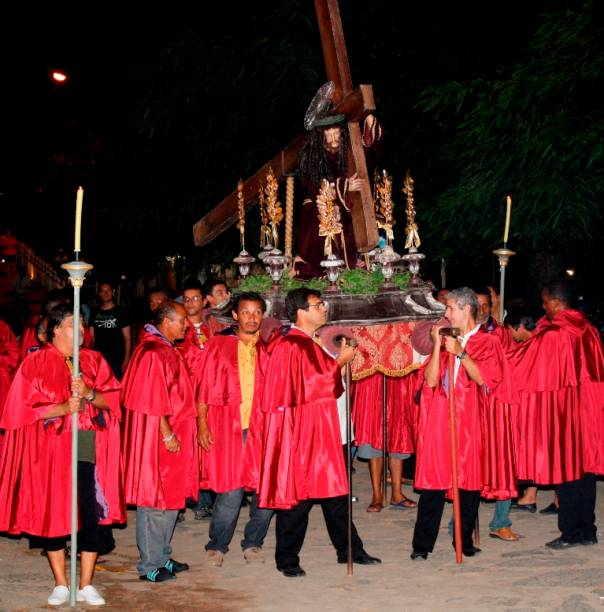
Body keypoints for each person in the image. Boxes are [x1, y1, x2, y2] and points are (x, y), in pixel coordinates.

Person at [0, 303, 124, 606]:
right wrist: (61, 408)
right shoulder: (35, 363)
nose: (80, 330)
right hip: (50, 445)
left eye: (81, 325)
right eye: (72, 325)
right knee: (54, 508)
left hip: (85, 440)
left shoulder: (94, 360)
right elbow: (18, 410)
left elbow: (116, 402)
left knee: (90, 507)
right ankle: (60, 582)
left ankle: (86, 583)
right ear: (55, 329)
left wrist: (91, 395)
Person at [255, 288, 381, 577]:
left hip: (323, 430)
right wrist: (340, 362)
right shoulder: (290, 345)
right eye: (317, 305)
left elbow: (328, 385)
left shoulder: (311, 342)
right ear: (301, 311)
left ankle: (350, 550)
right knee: (298, 498)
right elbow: (312, 387)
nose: (323, 309)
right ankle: (286, 558)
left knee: (336, 494)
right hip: (302, 432)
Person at [411, 287, 517, 560]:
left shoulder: (488, 342)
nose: (446, 313)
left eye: (450, 308)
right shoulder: (445, 338)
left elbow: (485, 379)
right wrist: (437, 346)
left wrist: (461, 353)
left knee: (468, 484)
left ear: (466, 310)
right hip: (440, 419)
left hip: (470, 420)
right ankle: (422, 546)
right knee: (434, 483)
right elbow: (431, 381)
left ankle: (464, 541)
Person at [507, 281, 604, 548]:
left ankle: (571, 532)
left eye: (545, 301)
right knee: (586, 473)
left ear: (557, 303)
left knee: (568, 471)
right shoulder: (590, 331)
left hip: (565, 412)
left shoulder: (555, 334)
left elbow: (523, 365)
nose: (543, 306)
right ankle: (587, 530)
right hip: (588, 412)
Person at [121, 302, 199, 582]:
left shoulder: (164, 348)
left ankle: (162, 555)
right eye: (182, 321)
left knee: (170, 499)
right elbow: (150, 399)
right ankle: (149, 565)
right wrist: (167, 434)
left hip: (175, 433)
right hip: (160, 437)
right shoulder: (153, 352)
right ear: (166, 321)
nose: (186, 326)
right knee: (154, 500)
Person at [196, 292, 273, 566]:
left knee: (266, 490)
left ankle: (253, 542)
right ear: (235, 315)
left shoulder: (270, 346)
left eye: (257, 312)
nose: (252, 317)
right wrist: (202, 422)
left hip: (264, 429)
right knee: (230, 491)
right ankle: (217, 545)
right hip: (230, 427)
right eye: (246, 312)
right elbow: (204, 386)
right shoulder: (219, 345)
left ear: (262, 316)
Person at [294, 102, 382, 279]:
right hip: (318, 213)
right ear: (320, 137)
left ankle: (353, 266)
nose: (334, 140)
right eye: (329, 135)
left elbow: (365, 160)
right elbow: (317, 189)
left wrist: (368, 131)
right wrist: (344, 186)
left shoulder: (346, 153)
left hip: (347, 207)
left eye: (337, 134)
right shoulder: (312, 157)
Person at [471, 286, 519, 542]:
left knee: (501, 461)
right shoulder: (461, 335)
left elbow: (512, 365)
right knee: (469, 463)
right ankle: (461, 521)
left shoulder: (500, 333)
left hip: (497, 407)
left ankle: (501, 521)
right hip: (469, 407)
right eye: (476, 304)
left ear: (491, 307)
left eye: (485, 305)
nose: (481, 310)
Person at [89, 281, 132, 379]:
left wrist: (126, 359)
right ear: (99, 294)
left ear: (113, 292)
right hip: (99, 357)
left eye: (108, 290)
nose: (105, 293)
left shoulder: (121, 312)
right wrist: (91, 356)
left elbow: (128, 338)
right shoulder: (94, 311)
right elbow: (91, 337)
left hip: (117, 359)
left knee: (115, 387)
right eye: (103, 291)